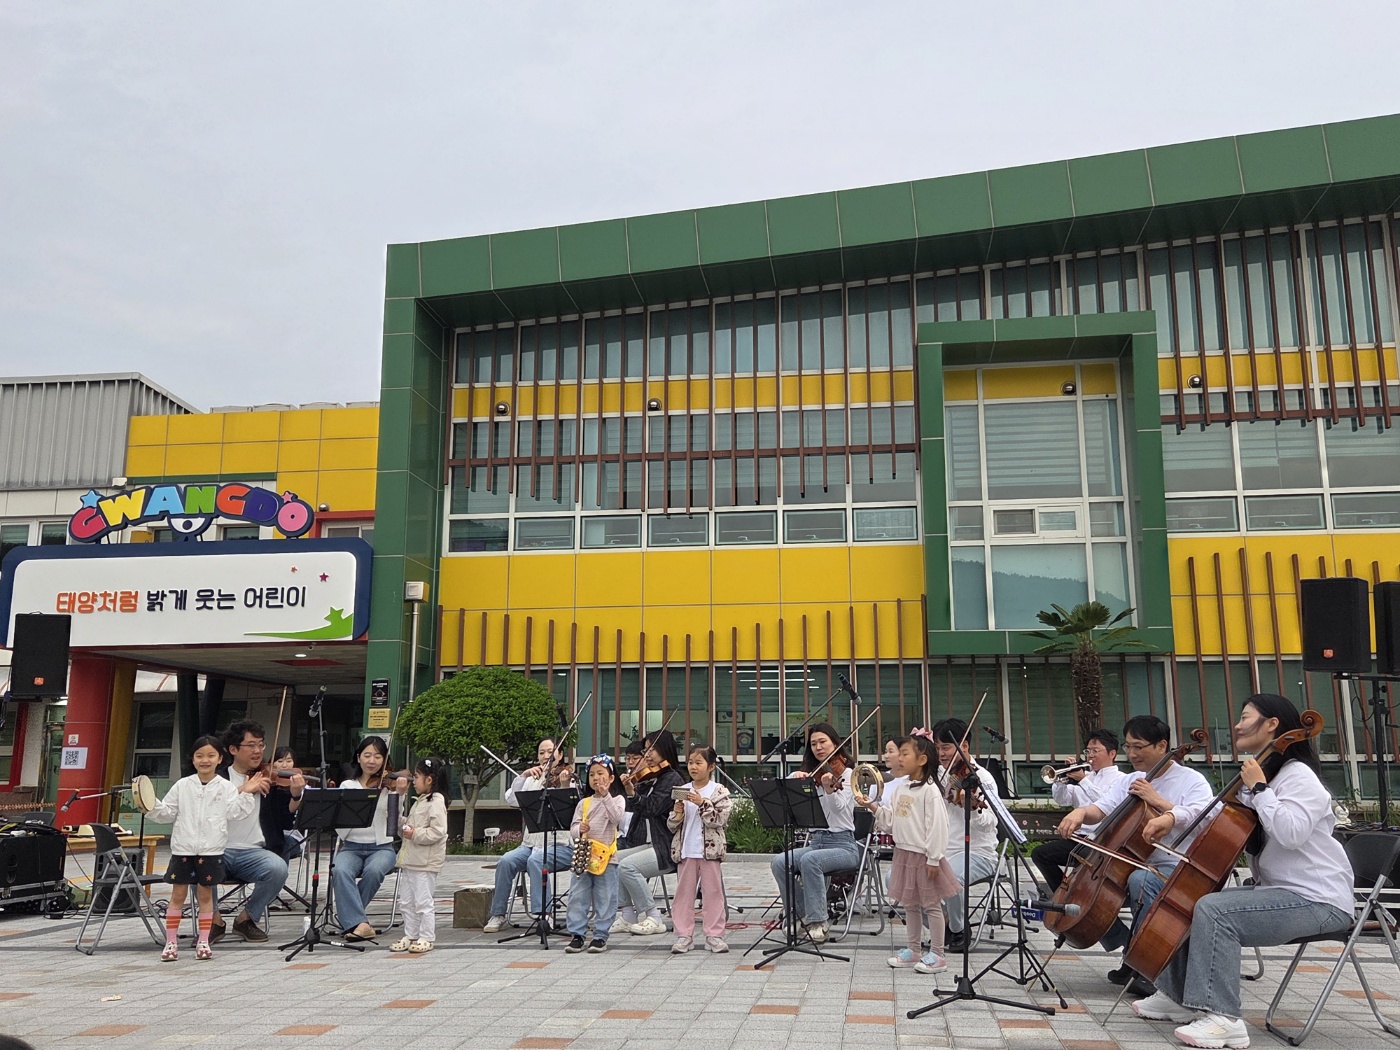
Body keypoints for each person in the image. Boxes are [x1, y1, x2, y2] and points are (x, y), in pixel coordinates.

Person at [1130, 694, 1354, 1049]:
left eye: (1245, 716)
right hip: (1279, 893)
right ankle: (1178, 998)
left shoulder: (1299, 778)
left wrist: (1260, 788)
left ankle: (1225, 1019)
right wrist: (1172, 817)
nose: (1236, 724)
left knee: (1216, 911)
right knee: (1194, 900)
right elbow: (1217, 816)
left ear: (1272, 725)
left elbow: (1291, 834)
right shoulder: (1268, 776)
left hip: (1318, 900)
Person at [1055, 714, 1213, 996]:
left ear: (1162, 746)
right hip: (1132, 863)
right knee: (1102, 892)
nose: (1132, 753)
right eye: (1128, 746)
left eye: (1139, 746)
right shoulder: (1131, 779)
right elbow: (1101, 809)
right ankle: (1132, 954)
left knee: (1140, 881)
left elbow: (1206, 821)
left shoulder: (1193, 781)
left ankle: (1146, 964)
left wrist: (1159, 802)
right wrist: (1080, 812)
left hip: (1176, 867)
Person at [150, 735, 266, 960]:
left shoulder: (225, 787)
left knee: (206, 897)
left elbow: (237, 812)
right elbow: (166, 812)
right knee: (178, 895)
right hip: (183, 849)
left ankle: (203, 941)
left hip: (211, 851)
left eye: (211, 755)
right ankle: (171, 942)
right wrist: (148, 803)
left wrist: (247, 792)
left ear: (220, 759)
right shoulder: (183, 785)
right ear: (192, 760)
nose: (205, 760)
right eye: (199, 756)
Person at [861, 733, 957, 974]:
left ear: (922, 759)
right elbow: (891, 822)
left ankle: (938, 954)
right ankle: (913, 949)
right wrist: (872, 806)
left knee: (931, 905)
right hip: (903, 854)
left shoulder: (930, 791)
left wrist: (934, 858)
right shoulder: (901, 787)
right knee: (910, 904)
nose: (899, 758)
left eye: (905, 754)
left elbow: (938, 827)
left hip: (924, 856)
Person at [768, 722, 859, 943]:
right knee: (780, 862)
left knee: (810, 860)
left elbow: (840, 809)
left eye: (823, 742)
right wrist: (795, 780)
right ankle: (798, 914)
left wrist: (829, 790)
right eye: (814, 744)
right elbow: (792, 804)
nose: (818, 747)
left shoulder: (849, 774)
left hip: (843, 845)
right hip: (816, 842)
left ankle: (819, 921)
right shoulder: (813, 775)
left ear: (835, 743)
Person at [216, 719, 300, 942]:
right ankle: (213, 920)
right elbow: (208, 808)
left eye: (261, 745)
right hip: (218, 849)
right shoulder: (218, 778)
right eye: (251, 745)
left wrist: (295, 796)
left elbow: (285, 821)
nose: (257, 751)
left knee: (278, 868)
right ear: (233, 749)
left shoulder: (268, 779)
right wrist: (244, 788)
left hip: (253, 852)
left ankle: (246, 919)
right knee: (195, 866)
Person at [482, 738, 575, 933]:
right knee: (506, 861)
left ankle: (544, 915)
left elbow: (572, 807)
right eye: (541, 752)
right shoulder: (532, 779)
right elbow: (512, 799)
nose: (546, 756)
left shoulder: (568, 778)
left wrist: (565, 784)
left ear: (560, 755)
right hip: (530, 845)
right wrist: (523, 776)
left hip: (560, 845)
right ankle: (498, 914)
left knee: (536, 860)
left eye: (550, 752)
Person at [930, 718, 1001, 953]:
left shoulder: (983, 778)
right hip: (942, 851)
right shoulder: (938, 775)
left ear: (965, 746)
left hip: (977, 852)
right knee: (898, 878)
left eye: (946, 747)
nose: (940, 754)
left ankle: (960, 928)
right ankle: (943, 921)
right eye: (937, 747)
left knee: (950, 878)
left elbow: (992, 821)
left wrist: (972, 808)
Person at [1030, 730, 1126, 892]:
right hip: (1078, 840)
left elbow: (1108, 804)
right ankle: (1061, 892)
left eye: (1096, 751)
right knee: (1040, 854)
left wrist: (1083, 780)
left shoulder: (1121, 778)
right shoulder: (1085, 776)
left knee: (1085, 857)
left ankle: (1075, 894)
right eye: (1088, 751)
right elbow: (1062, 800)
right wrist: (1061, 779)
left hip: (1103, 842)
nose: (1090, 756)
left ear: (1112, 753)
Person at [334, 735, 408, 941]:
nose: (372, 761)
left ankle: (352, 921)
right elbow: (339, 821)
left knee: (375, 870)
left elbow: (394, 822)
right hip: (351, 846)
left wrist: (399, 795)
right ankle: (360, 923)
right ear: (358, 758)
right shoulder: (348, 786)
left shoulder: (389, 786)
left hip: (382, 847)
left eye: (377, 756)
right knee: (340, 870)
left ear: (384, 760)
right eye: (367, 755)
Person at [667, 744, 734, 953]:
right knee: (683, 894)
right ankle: (683, 935)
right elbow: (672, 825)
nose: (693, 767)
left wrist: (702, 803)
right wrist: (677, 813)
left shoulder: (719, 791)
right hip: (686, 849)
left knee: (713, 893)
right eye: (690, 762)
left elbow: (719, 820)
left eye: (698, 762)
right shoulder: (683, 789)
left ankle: (714, 935)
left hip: (710, 852)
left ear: (711, 766)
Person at [617, 730, 685, 936]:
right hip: (647, 844)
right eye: (646, 750)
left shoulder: (672, 778)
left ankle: (654, 917)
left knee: (627, 866)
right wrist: (632, 788)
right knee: (612, 860)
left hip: (666, 846)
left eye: (652, 750)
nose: (647, 754)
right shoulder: (650, 778)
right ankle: (628, 916)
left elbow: (652, 808)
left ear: (665, 750)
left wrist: (633, 793)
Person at [565, 755, 626, 953]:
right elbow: (573, 828)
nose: (596, 778)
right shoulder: (584, 803)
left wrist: (606, 795)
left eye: (601, 774)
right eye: (592, 774)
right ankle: (577, 934)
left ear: (611, 778)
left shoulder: (617, 799)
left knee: (606, 896)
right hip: (584, 855)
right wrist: (578, 829)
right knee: (578, 895)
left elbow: (617, 819)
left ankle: (600, 935)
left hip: (607, 857)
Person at [390, 757, 450, 954]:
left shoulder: (436, 801)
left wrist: (414, 833)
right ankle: (411, 934)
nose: (413, 781)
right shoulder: (421, 801)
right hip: (412, 860)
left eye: (416, 776)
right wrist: (403, 825)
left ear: (429, 779)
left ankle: (426, 936)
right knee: (406, 901)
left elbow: (437, 831)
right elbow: (413, 825)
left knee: (423, 901)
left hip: (425, 862)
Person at [267, 746, 306, 862]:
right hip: (268, 832)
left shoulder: (297, 785)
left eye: (289, 761)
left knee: (283, 841)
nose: (285, 765)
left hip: (291, 834)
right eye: (280, 761)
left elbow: (289, 817)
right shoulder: (268, 783)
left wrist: (296, 794)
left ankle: (280, 876)